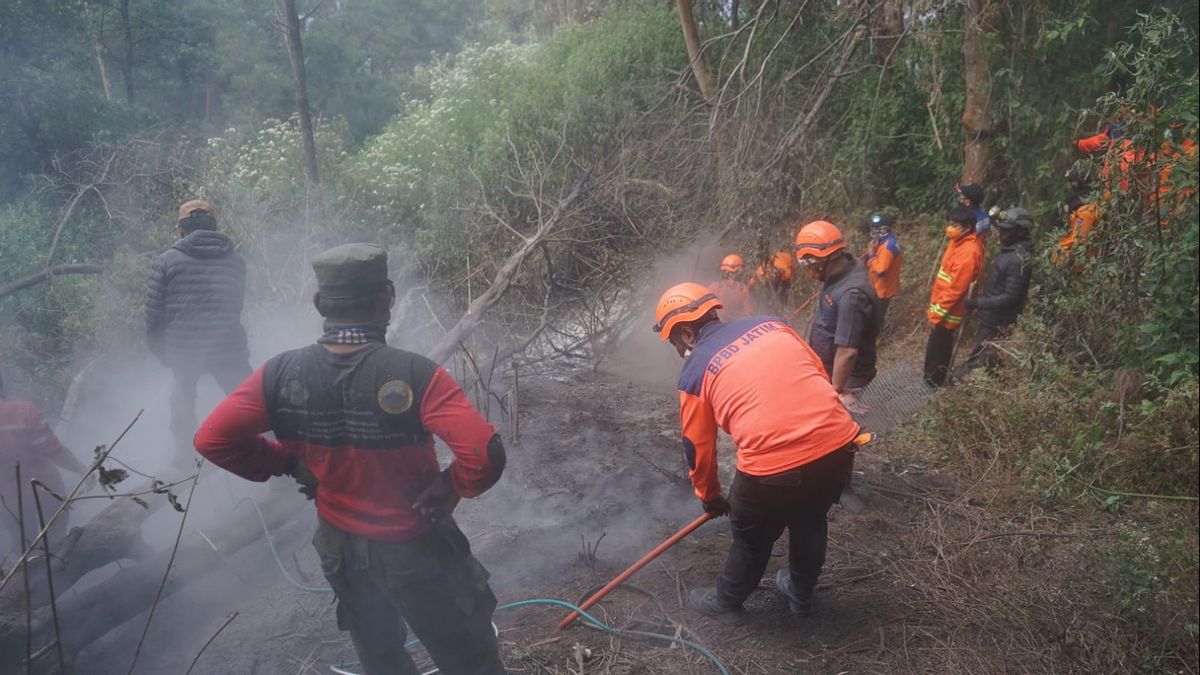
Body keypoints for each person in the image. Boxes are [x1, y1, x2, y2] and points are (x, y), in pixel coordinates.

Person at [194, 244, 507, 675]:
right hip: (415, 547)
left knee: (381, 657)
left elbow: (212, 438)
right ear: (388, 299)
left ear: (320, 303)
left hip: (341, 548)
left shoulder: (280, 373)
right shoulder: (416, 374)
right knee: (469, 660)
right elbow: (486, 453)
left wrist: (289, 463)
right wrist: (453, 485)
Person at [652, 282, 861, 619]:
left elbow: (697, 446)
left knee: (752, 538)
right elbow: (816, 374)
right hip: (837, 444)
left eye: (675, 342)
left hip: (772, 467)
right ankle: (801, 592)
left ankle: (726, 601)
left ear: (688, 334)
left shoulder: (694, 372)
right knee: (810, 519)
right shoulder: (772, 324)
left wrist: (710, 495)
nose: (678, 351)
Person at [145, 200, 252, 458]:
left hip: (184, 349)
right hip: (229, 347)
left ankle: (184, 458)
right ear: (214, 227)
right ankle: (275, 462)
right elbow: (235, 306)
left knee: (182, 399)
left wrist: (161, 352)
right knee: (251, 402)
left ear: (181, 228)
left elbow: (154, 314)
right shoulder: (236, 261)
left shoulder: (167, 261)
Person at [0, 371, 88, 557]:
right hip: (46, 488)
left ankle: (31, 582)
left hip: (10, 501)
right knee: (57, 543)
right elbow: (54, 450)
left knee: (25, 549)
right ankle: (58, 576)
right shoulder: (22, 411)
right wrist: (82, 469)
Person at [962, 208, 1035, 375]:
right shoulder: (1010, 252)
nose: (1002, 233)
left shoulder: (1018, 260)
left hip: (999, 320)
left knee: (983, 362)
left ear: (1020, 232)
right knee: (981, 356)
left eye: (1006, 230)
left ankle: (973, 391)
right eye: (1001, 229)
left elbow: (1011, 296)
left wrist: (978, 303)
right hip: (991, 317)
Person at [924, 206, 985, 387]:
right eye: (949, 223)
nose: (950, 227)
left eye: (954, 224)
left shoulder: (968, 252)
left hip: (948, 312)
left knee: (939, 350)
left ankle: (933, 384)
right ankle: (931, 380)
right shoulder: (956, 242)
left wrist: (936, 316)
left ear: (967, 227)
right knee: (935, 349)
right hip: (940, 307)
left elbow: (956, 290)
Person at [1053, 171, 1101, 269]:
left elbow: (1080, 241)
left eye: (1074, 181)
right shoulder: (1079, 206)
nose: (1072, 184)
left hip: (1078, 268)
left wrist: (1063, 261)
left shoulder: (1085, 212)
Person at [863, 213, 903, 327]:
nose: (872, 231)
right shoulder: (882, 243)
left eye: (875, 228)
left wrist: (871, 254)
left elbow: (881, 271)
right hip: (877, 287)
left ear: (883, 229)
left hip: (882, 291)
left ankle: (873, 340)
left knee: (875, 320)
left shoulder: (888, 247)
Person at [706, 254, 754, 318]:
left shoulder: (714, 286)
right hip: (732, 325)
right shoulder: (743, 289)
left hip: (719, 324)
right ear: (739, 272)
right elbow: (748, 313)